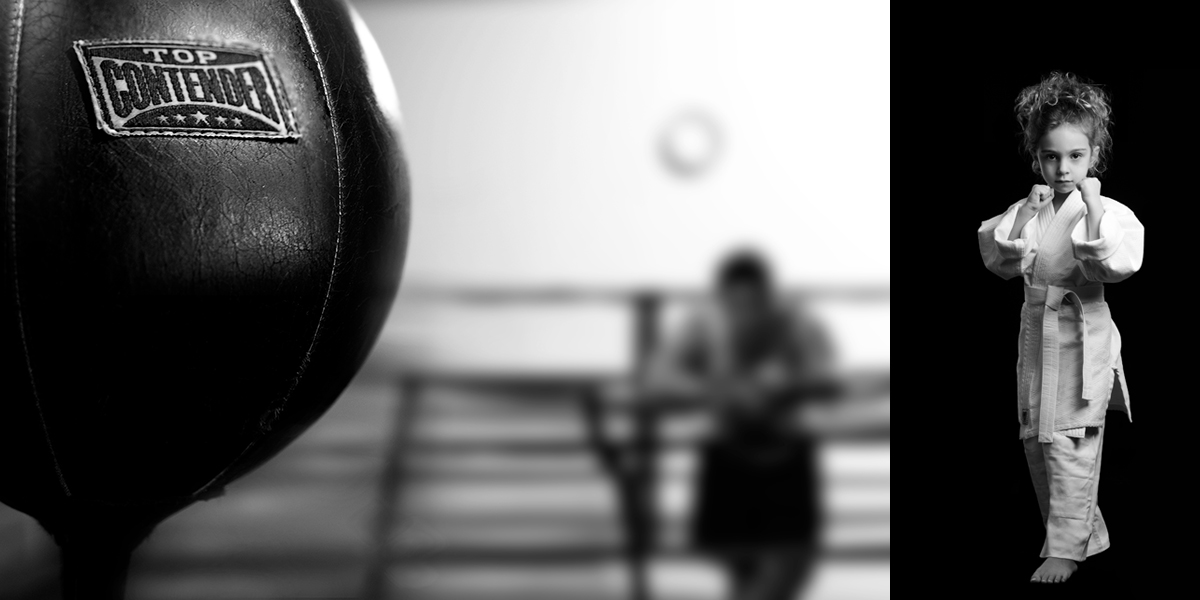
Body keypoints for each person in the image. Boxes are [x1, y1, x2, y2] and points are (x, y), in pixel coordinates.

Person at [977, 72, 1143, 584]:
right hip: (1036, 331)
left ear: (1094, 155)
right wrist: (1028, 211)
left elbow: (1109, 267)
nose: (1063, 167)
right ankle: (1083, 536)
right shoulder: (1030, 206)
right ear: (1036, 158)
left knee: (1073, 438)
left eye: (1075, 156)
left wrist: (1092, 206)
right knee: (1038, 438)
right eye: (1052, 157)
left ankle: (1066, 550)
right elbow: (1000, 259)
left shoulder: (1110, 212)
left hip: (1080, 331)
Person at [644, 249, 838, 600]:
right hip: (731, 454)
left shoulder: (796, 322)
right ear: (722, 299)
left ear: (768, 296)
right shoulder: (705, 323)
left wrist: (784, 387)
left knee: (783, 565)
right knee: (747, 565)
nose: (745, 312)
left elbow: (828, 375)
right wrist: (715, 391)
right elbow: (659, 376)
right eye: (736, 303)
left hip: (784, 454)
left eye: (753, 302)